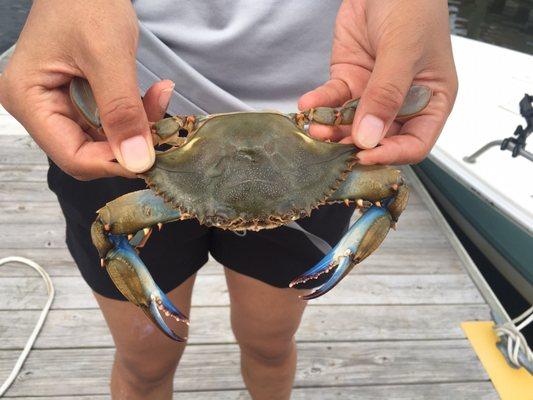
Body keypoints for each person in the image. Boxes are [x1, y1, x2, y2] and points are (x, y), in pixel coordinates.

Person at [0, 0, 458, 399]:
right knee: (146, 362)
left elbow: (390, 189)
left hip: (325, 121)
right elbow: (108, 231)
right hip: (126, 131)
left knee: (270, 345)